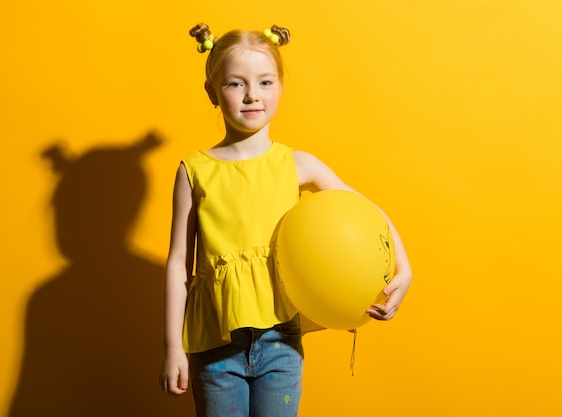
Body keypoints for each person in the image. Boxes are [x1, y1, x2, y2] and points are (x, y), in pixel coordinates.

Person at [159, 22, 412, 417]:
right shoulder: (194, 171)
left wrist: (405, 268)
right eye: (235, 84)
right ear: (212, 92)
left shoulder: (298, 164)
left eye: (264, 82)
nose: (251, 96)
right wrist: (173, 346)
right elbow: (178, 264)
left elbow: (366, 210)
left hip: (281, 341)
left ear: (280, 87)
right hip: (214, 345)